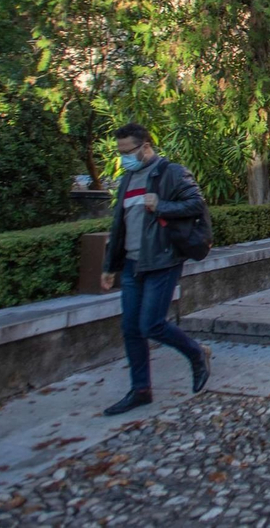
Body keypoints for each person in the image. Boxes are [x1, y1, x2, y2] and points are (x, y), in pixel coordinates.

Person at [99, 123, 212, 416]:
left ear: (145, 146)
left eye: (128, 151)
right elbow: (119, 226)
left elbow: (196, 204)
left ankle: (196, 353)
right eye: (120, 152)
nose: (124, 157)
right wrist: (110, 265)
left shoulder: (171, 172)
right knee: (130, 328)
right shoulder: (127, 179)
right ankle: (140, 390)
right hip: (133, 264)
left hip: (162, 260)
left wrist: (161, 205)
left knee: (151, 324)